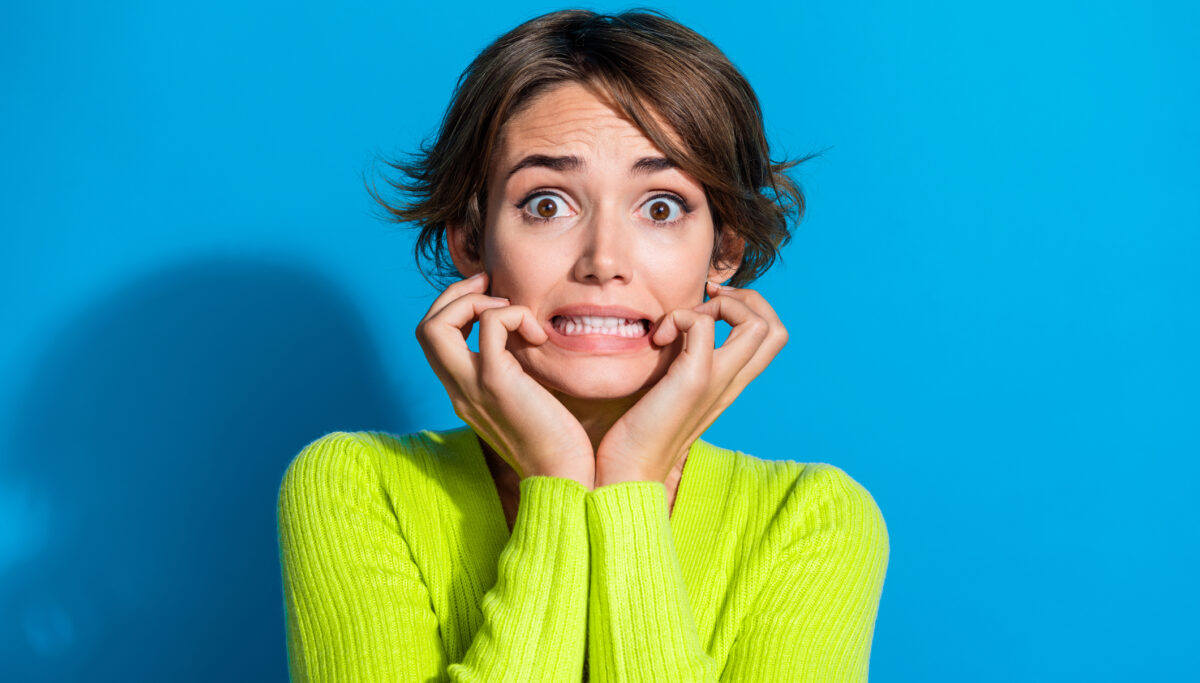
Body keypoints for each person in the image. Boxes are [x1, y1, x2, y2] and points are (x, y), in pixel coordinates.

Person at [276, 9, 889, 682]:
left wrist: (628, 483)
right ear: (471, 243)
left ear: (726, 251)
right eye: (546, 204)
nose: (603, 260)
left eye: (660, 206)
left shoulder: (810, 519)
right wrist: (558, 479)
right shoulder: (357, 487)